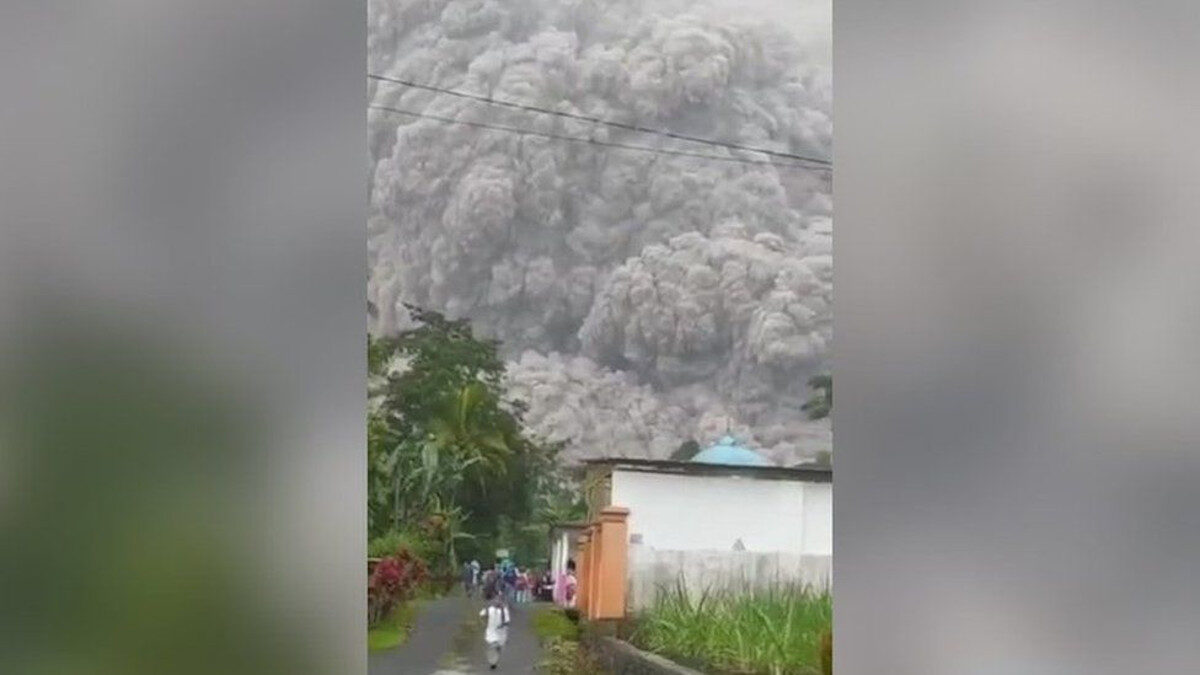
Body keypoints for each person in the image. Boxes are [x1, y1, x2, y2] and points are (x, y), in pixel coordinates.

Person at [479, 587, 510, 670]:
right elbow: (481, 615)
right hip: (491, 630)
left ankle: (495, 659)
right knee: (492, 646)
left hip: (501, 631)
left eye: (500, 600)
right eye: (496, 600)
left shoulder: (504, 610)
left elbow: (507, 621)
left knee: (499, 647)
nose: (498, 602)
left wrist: (503, 626)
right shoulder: (489, 609)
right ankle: (492, 662)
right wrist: (484, 623)